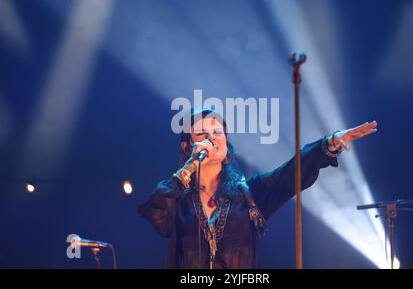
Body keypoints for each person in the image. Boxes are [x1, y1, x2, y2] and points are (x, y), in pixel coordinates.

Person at [138, 107, 377, 268]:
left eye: (217, 132)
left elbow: (290, 173)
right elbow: (155, 214)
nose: (212, 138)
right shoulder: (177, 197)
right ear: (187, 145)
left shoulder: (249, 193)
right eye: (201, 133)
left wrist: (329, 144)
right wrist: (190, 167)